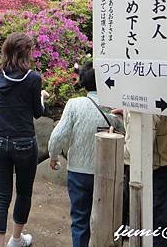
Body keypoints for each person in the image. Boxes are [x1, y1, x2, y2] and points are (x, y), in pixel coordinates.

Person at [48, 62, 123, 247]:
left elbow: (58, 136)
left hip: (79, 172)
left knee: (80, 219)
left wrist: (53, 156)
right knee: (107, 219)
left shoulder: (74, 104)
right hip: (108, 172)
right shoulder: (116, 108)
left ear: (83, 81)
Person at [0, 32, 45, 247]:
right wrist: (42, 97)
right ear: (26, 52)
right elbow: (37, 112)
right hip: (24, 142)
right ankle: (16, 239)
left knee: (1, 196)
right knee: (23, 192)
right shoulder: (33, 78)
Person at [116, 109, 167, 247]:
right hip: (165, 174)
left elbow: (137, 152)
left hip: (160, 178)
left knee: (157, 238)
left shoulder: (142, 106)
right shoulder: (150, 98)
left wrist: (111, 141)